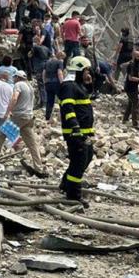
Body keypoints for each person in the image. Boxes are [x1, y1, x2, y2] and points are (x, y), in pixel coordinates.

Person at [0, 70, 47, 176]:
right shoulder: (30, 87)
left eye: (15, 77)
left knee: (0, 134)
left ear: (18, 78)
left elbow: (14, 98)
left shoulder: (18, 85)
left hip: (19, 117)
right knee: (32, 143)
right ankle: (38, 167)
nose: (14, 79)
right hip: (28, 117)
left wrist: (7, 112)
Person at [58, 56, 95, 206]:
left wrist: (89, 84)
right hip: (75, 133)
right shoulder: (69, 86)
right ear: (79, 70)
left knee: (86, 157)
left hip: (84, 132)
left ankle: (65, 184)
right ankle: (73, 196)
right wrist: (75, 127)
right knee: (78, 163)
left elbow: (86, 98)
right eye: (86, 71)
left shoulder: (78, 85)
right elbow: (68, 107)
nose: (88, 73)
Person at [123, 50, 139, 126]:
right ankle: (135, 123)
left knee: (131, 103)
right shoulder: (131, 65)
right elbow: (130, 78)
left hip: (134, 87)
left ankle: (125, 119)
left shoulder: (138, 64)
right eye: (138, 56)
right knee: (136, 103)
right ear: (133, 56)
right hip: (129, 87)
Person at [42, 50, 65, 121]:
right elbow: (59, 72)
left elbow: (44, 73)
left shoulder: (47, 62)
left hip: (48, 83)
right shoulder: (59, 62)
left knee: (49, 101)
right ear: (61, 57)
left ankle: (47, 117)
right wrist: (62, 83)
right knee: (61, 99)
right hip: (56, 83)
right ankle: (63, 115)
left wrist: (45, 82)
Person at [30, 35, 51, 108]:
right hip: (47, 66)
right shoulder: (46, 48)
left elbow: (29, 55)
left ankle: (44, 102)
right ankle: (48, 101)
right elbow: (50, 56)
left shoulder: (35, 47)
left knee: (41, 84)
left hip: (39, 67)